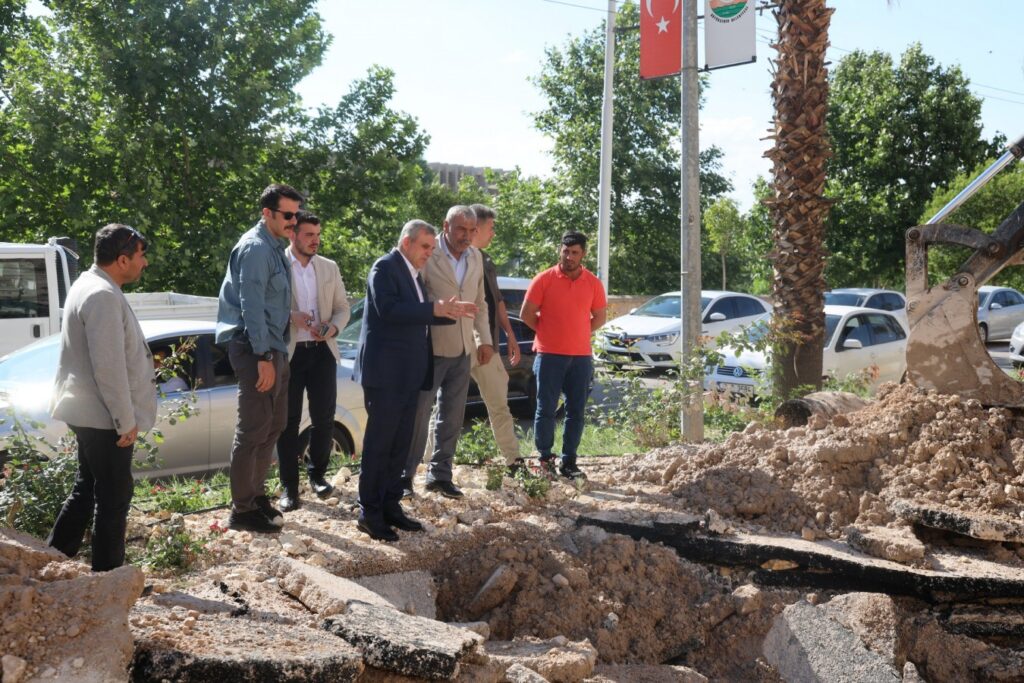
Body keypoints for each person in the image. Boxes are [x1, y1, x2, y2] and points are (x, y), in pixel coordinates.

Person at [354, 220, 477, 541]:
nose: (429, 253)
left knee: (400, 445)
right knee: (380, 445)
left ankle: (390, 505)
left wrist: (444, 313)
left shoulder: (413, 274)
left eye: (432, 248)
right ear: (406, 242)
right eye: (425, 246)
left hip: (409, 374)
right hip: (386, 374)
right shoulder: (384, 267)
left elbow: (416, 315)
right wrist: (435, 308)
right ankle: (369, 512)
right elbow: (389, 310)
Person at [47, 224, 156, 571]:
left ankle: (50, 562)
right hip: (103, 415)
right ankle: (110, 579)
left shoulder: (89, 284)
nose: (145, 263)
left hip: (89, 410)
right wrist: (125, 420)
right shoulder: (103, 295)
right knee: (114, 495)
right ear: (122, 260)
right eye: (141, 255)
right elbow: (108, 368)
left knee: (88, 488)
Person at [216, 182, 301, 533]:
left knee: (274, 426)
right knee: (252, 430)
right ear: (267, 213)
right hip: (255, 349)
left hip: (274, 348)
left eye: (296, 215)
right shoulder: (254, 248)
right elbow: (251, 306)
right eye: (287, 215)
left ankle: (255, 497)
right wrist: (262, 354)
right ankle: (242, 510)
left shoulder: (274, 247)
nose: (293, 222)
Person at [402, 205, 492, 499]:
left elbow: (480, 303)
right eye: (461, 229)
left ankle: (440, 475)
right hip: (429, 348)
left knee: (452, 416)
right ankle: (404, 477)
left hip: (463, 349)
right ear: (446, 226)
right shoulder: (429, 252)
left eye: (472, 230)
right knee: (418, 415)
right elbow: (414, 297)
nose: (467, 235)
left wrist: (484, 340)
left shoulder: (475, 256)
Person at [276, 210, 351, 511]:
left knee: (324, 418)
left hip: (322, 351)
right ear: (292, 234)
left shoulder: (329, 267)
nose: (315, 240)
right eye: (309, 234)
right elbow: (264, 307)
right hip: (291, 353)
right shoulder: (278, 264)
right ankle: (289, 487)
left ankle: (317, 476)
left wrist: (333, 327)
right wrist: (290, 317)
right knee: (288, 421)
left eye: (318, 235)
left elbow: (343, 308)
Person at [520, 231, 607, 480]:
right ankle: (545, 459)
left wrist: (578, 333)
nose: (569, 257)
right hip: (549, 356)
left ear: (583, 254)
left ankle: (569, 462)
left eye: (574, 252)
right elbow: (527, 314)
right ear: (560, 250)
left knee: (576, 411)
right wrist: (548, 333)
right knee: (545, 409)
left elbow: (600, 317)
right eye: (565, 251)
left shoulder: (593, 283)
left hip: (580, 358)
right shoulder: (544, 279)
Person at [468, 204, 523, 472]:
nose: (493, 233)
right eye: (490, 228)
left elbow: (497, 301)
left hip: (488, 345)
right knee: (445, 405)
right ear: (476, 228)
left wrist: (510, 335)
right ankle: (429, 464)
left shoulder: (486, 260)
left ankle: (513, 461)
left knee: (499, 404)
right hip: (457, 344)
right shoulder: (449, 258)